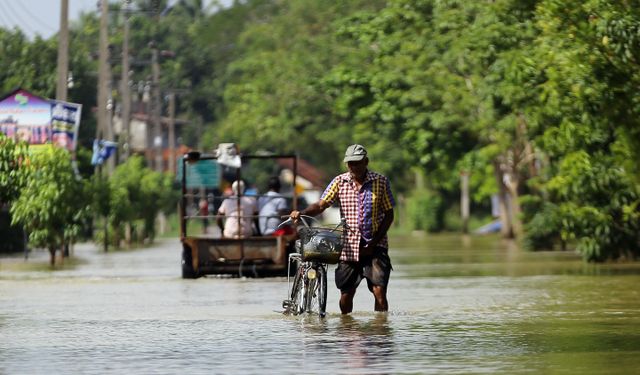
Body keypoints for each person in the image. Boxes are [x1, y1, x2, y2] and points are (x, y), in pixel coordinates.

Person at [289, 144, 395, 314]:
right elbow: (321, 204)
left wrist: (374, 243)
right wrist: (302, 212)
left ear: (366, 162)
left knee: (379, 291)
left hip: (376, 245)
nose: (353, 167)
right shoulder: (340, 181)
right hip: (349, 247)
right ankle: (347, 328)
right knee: (346, 293)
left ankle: (380, 332)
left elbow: (389, 214)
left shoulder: (380, 182)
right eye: (350, 163)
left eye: (357, 163)